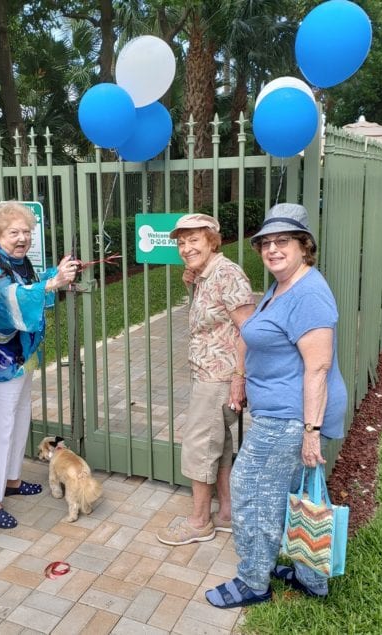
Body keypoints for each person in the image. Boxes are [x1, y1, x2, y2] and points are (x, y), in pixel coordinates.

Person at [205, 203, 348, 609]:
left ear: (304, 245)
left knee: (249, 490)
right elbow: (250, 332)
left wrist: (310, 432)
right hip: (276, 410)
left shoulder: (310, 293)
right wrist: (240, 376)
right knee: (281, 493)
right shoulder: (281, 285)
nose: (272, 249)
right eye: (266, 243)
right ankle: (308, 577)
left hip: (290, 417)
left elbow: (317, 366)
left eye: (282, 241)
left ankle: (253, 581)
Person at [157, 213, 255, 546]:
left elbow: (249, 329)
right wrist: (191, 281)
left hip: (220, 378)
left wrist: (240, 379)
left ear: (211, 240)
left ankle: (200, 522)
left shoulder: (226, 274)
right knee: (220, 446)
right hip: (209, 375)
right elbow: (212, 319)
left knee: (199, 446)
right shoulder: (205, 274)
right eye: (182, 242)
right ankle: (226, 513)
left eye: (193, 240)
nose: (185, 248)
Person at [0, 200, 78, 529]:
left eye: (26, 232)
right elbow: (9, 302)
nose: (22, 238)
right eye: (14, 232)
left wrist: (56, 274)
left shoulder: (18, 260)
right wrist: (52, 283)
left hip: (22, 358)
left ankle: (12, 482)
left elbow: (32, 287)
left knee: (20, 419)